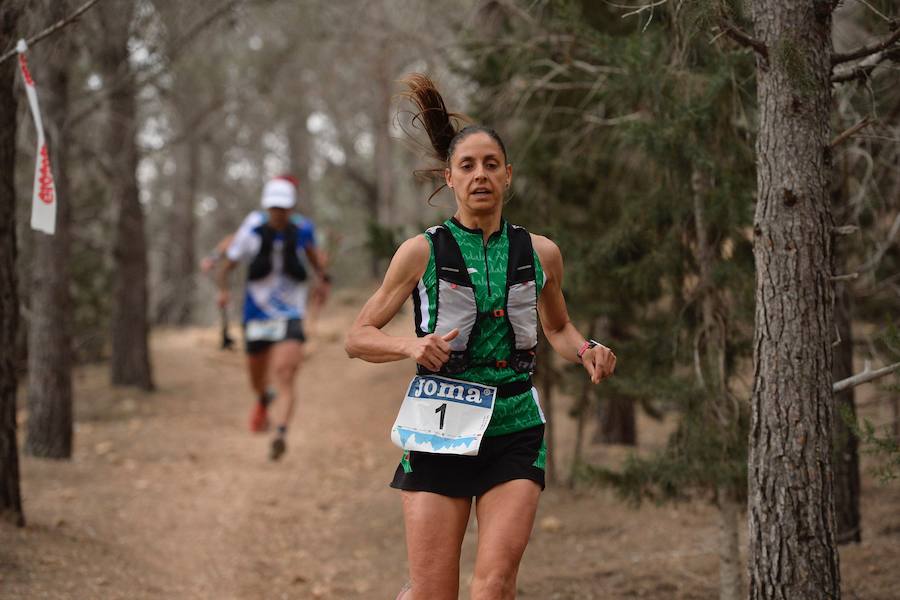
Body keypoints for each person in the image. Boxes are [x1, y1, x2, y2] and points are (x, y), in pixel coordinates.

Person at [344, 74, 616, 600]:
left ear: (508, 176)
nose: (480, 175)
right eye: (467, 166)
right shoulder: (421, 252)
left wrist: (586, 350)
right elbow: (358, 336)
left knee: (493, 588)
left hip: (515, 429)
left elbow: (557, 327)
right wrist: (410, 345)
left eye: (491, 164)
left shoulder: (541, 253)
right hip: (439, 427)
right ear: (449, 178)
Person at [217, 175, 330, 460]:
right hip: (256, 315)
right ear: (267, 208)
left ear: (291, 208)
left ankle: (280, 432)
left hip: (291, 314)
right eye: (274, 208)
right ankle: (262, 399)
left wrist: (322, 280)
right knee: (257, 377)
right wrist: (223, 292)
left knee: (285, 373)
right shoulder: (251, 232)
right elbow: (227, 266)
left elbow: (315, 259)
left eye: (284, 207)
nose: (279, 213)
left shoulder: (303, 231)